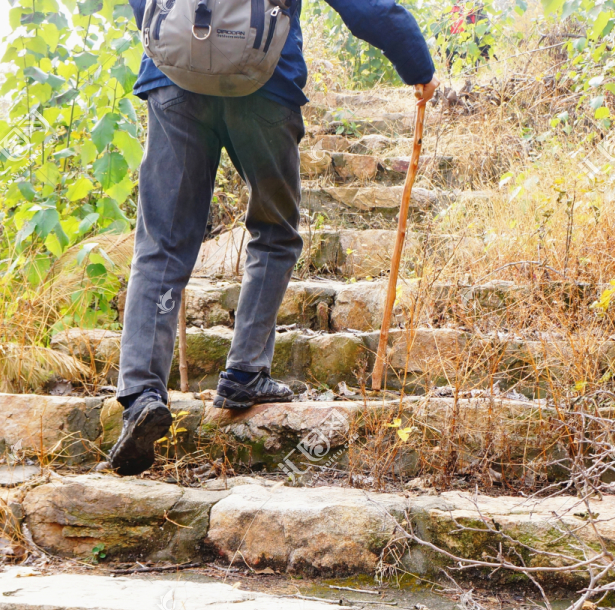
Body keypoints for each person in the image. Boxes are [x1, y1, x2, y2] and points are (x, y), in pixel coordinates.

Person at [110, 0, 438, 476]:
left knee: (162, 242)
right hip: (264, 85)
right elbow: (367, 8)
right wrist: (418, 66)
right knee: (274, 231)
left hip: (175, 83)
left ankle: (141, 393)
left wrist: (180, 39)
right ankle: (244, 372)